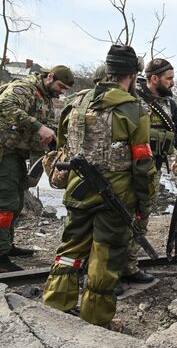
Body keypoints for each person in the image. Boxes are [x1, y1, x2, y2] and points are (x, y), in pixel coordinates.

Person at [43, 44, 156, 326]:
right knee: (105, 257)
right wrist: (145, 203)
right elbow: (142, 165)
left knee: (70, 249)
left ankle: (55, 306)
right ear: (131, 74)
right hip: (114, 198)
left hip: (77, 191)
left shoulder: (75, 102)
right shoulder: (133, 109)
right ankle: (95, 320)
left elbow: (63, 147)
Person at [0, 65, 74, 272]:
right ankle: (0, 258)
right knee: (5, 204)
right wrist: (38, 127)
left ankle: (7, 246)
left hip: (15, 155)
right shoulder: (24, 88)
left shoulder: (45, 98)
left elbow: (48, 127)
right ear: (49, 77)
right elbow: (5, 106)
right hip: (4, 153)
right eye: (60, 86)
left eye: (65, 89)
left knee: (16, 203)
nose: (62, 91)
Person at [119, 58, 177, 283]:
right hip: (127, 170)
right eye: (169, 78)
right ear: (154, 78)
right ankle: (109, 272)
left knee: (142, 218)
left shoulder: (170, 104)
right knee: (119, 218)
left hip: (152, 171)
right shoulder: (132, 98)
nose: (173, 83)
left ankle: (129, 265)